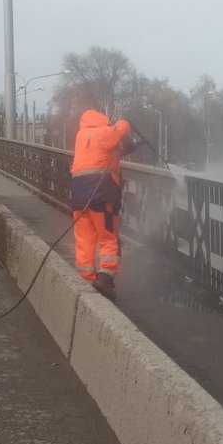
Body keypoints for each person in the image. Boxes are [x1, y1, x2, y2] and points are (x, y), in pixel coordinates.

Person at [69, 109, 139, 300]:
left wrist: (132, 145)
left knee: (85, 239)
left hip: (79, 198)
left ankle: (86, 279)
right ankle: (105, 279)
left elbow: (111, 150)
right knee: (109, 239)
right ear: (102, 121)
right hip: (102, 196)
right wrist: (126, 123)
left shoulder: (82, 136)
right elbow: (120, 130)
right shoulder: (103, 132)